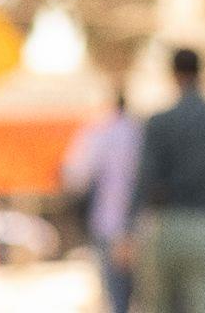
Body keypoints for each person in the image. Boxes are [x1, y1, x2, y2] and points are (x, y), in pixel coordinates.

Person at [113, 47, 205, 313]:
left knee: (159, 305)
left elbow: (145, 178)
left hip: (168, 224)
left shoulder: (159, 123)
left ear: (173, 74)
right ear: (201, 73)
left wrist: (128, 230)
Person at [61, 87, 143, 313]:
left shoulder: (99, 133)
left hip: (109, 223)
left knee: (117, 296)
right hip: (144, 225)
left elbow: (76, 176)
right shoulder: (141, 132)